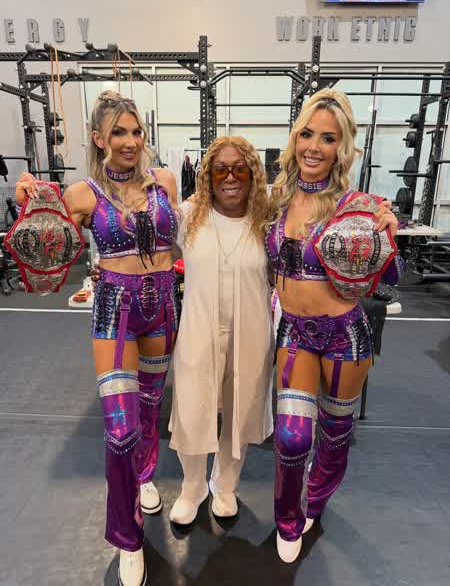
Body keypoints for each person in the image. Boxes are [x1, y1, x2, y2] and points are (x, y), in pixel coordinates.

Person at [15, 91, 179, 586]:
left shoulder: (166, 181)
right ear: (98, 138)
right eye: (119, 132)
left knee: (149, 409)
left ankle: (145, 474)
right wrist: (30, 200)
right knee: (120, 428)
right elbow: (45, 239)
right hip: (114, 311)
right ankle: (127, 538)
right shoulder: (82, 194)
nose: (130, 141)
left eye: (136, 131)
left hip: (163, 307)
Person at [263, 89, 403, 563]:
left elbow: (392, 276)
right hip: (295, 333)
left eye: (328, 138)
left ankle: (316, 500)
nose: (314, 147)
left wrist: (387, 237)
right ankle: (287, 517)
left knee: (335, 432)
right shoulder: (276, 200)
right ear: (295, 138)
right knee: (291, 437)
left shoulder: (358, 204)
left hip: (345, 334)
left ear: (341, 147)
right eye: (307, 134)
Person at [168, 136, 275, 524]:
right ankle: (192, 486)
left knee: (240, 408)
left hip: (252, 328)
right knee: (192, 405)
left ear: (252, 173)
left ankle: (225, 484)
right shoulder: (188, 215)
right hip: (198, 326)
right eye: (221, 169)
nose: (230, 177)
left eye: (239, 169)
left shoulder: (267, 219)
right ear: (208, 176)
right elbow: (144, 224)